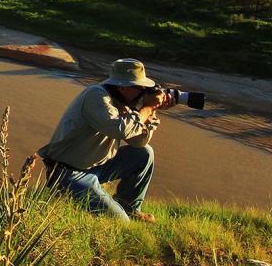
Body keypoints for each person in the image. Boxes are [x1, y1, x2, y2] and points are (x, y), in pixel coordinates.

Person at [37, 58, 172, 223]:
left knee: (144, 153)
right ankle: (63, 192)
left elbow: (138, 142)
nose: (143, 92)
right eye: (140, 88)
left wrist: (151, 112)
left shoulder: (123, 102)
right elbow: (119, 130)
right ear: (123, 87)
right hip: (68, 173)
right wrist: (147, 107)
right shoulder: (96, 96)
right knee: (121, 222)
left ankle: (129, 207)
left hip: (97, 167)